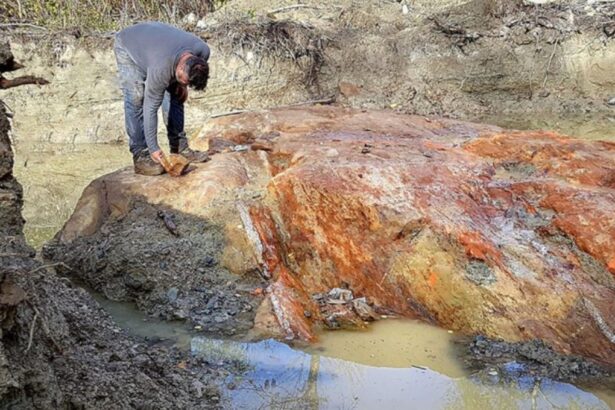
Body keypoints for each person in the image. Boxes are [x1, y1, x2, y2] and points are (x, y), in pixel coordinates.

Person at [114, 21, 211, 175]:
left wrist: (182, 86)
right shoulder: (161, 68)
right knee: (136, 97)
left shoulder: (203, 51)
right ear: (180, 67)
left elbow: (186, 76)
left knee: (176, 93)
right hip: (128, 44)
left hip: (157, 45)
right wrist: (153, 147)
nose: (182, 83)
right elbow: (150, 107)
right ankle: (140, 155)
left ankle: (179, 148)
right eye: (182, 79)